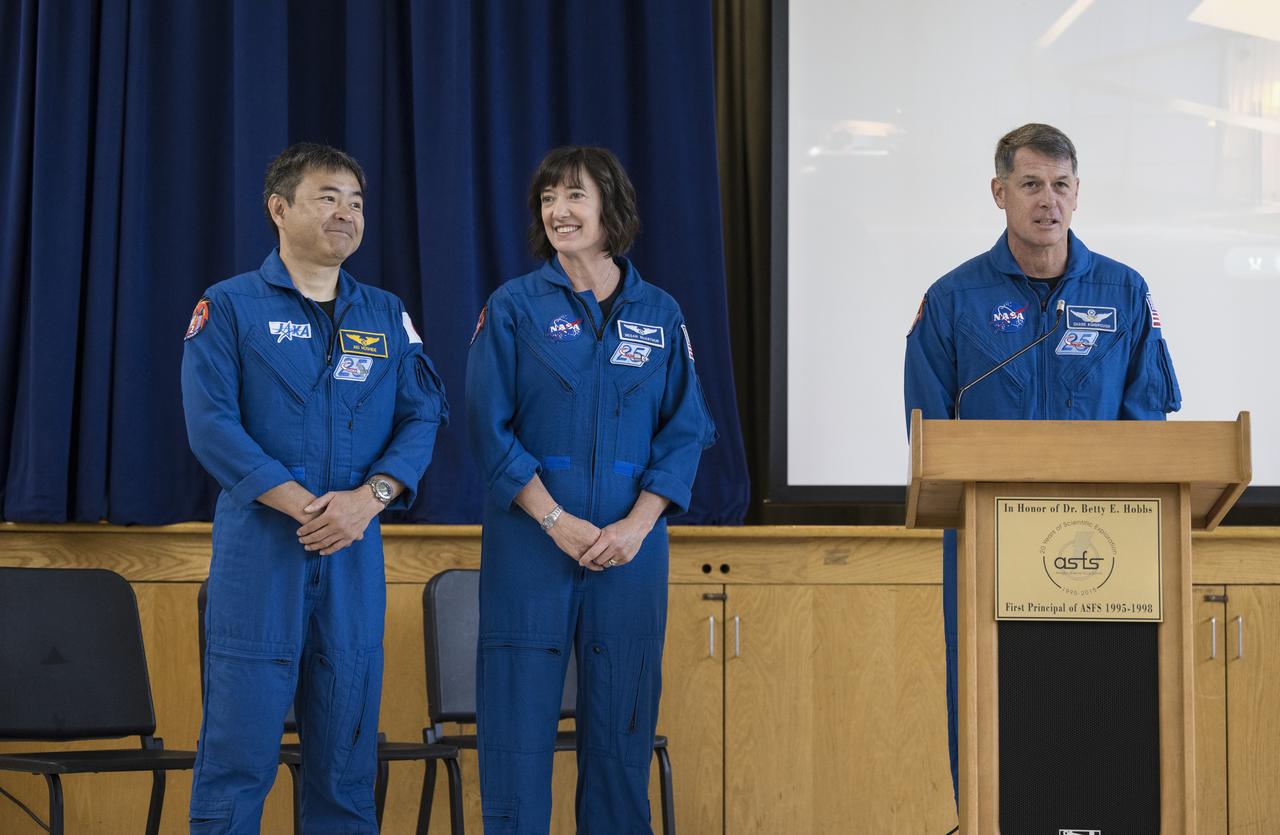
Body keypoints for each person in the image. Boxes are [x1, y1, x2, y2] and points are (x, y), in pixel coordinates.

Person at [903, 123, 1182, 806]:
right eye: (1030, 184)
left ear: (1078, 194)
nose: (1046, 200)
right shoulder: (951, 300)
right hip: (987, 541)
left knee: (1099, 702)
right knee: (994, 699)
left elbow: (1148, 419)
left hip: (1105, 542)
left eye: (1060, 185)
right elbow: (929, 438)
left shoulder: (1123, 291)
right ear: (999, 192)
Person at [181, 143, 448, 832]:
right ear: (279, 208)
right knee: (238, 760)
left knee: (346, 764)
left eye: (356, 202)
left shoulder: (386, 316)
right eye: (328, 196)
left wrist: (370, 499)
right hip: (260, 554)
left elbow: (423, 417)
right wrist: (305, 504)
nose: (347, 213)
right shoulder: (228, 306)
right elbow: (212, 426)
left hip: (353, 554)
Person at [466, 146, 717, 833]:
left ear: (611, 208)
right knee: (516, 740)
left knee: (620, 737)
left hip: (629, 557)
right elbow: (489, 431)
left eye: (574, 196)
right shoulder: (512, 306)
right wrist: (555, 521)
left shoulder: (659, 313)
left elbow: (686, 429)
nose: (558, 211)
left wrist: (637, 526)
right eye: (548, 199)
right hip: (532, 549)